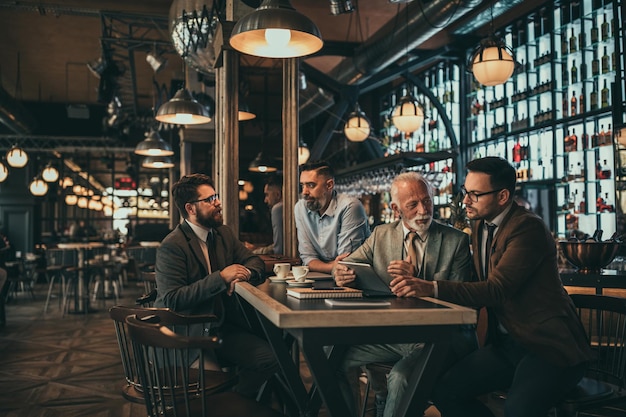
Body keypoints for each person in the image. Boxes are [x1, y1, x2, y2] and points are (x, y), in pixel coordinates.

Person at [394, 157, 592, 417]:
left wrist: (430, 287)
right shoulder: (480, 225)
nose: (466, 201)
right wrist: (417, 276)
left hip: (549, 347)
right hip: (509, 345)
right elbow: (475, 283)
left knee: (518, 410)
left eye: (475, 194)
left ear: (502, 196)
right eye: (466, 192)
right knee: (445, 390)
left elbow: (496, 289)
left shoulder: (527, 228)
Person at [333, 171, 474, 417]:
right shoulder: (380, 235)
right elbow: (348, 265)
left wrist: (418, 277)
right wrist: (341, 275)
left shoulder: (456, 241)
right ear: (396, 209)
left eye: (427, 201)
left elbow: (460, 297)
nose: (423, 210)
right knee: (331, 359)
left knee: (399, 377)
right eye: (413, 204)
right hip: (393, 334)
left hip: (438, 336)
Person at [154, 173, 278, 398]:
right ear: (191, 208)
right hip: (186, 335)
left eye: (216, 196)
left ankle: (234, 401)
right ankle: (227, 402)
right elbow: (173, 299)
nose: (218, 202)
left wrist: (244, 272)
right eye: (210, 199)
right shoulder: (172, 246)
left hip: (221, 328)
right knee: (215, 392)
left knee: (272, 359)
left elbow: (255, 261)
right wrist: (221, 278)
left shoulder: (223, 234)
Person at [295, 160, 370, 273]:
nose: (304, 192)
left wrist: (320, 265)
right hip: (321, 280)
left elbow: (347, 262)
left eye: (311, 185)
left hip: (357, 280)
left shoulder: (350, 206)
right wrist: (332, 266)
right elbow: (307, 257)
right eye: (302, 185)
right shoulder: (300, 208)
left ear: (329, 185)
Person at [245, 177, 283, 255]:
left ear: (278, 195)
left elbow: (279, 249)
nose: (265, 200)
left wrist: (254, 252)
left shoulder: (278, 209)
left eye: (267, 195)